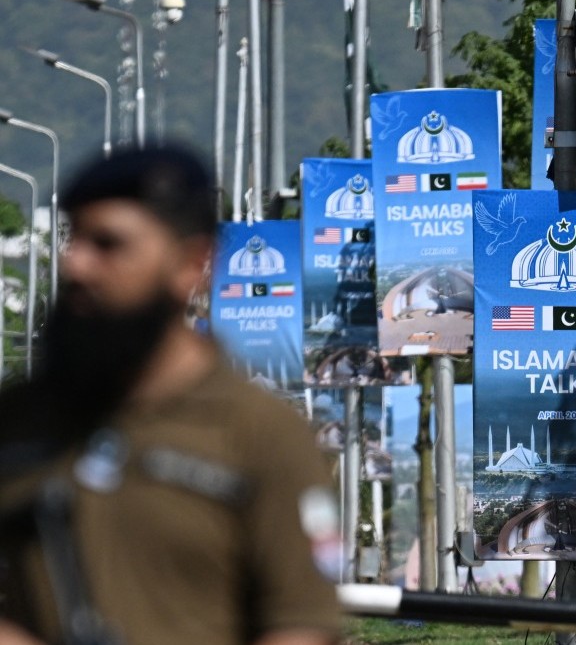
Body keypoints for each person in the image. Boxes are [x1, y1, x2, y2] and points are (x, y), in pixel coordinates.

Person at [0, 146, 342, 645]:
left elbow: (302, 623)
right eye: (73, 240)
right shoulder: (20, 421)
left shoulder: (260, 433)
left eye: (108, 244)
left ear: (190, 264)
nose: (77, 266)